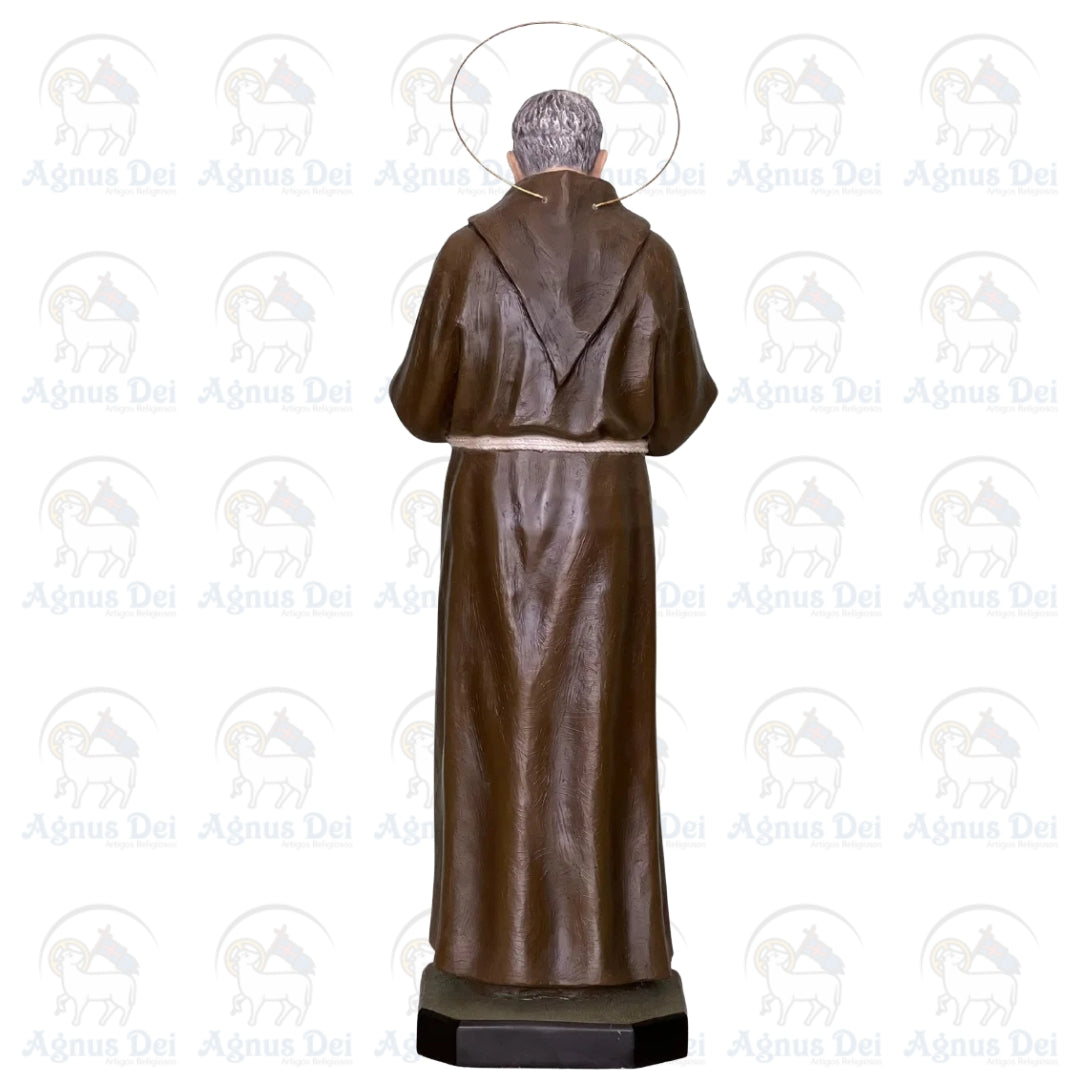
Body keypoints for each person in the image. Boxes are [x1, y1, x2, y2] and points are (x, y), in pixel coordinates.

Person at [389, 88, 717, 988]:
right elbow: (679, 411)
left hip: (492, 510)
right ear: (603, 162)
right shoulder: (650, 255)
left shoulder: (467, 253)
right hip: (608, 515)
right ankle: (608, 952)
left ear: (514, 162)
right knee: (601, 723)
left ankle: (486, 950)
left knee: (492, 724)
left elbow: (419, 405)